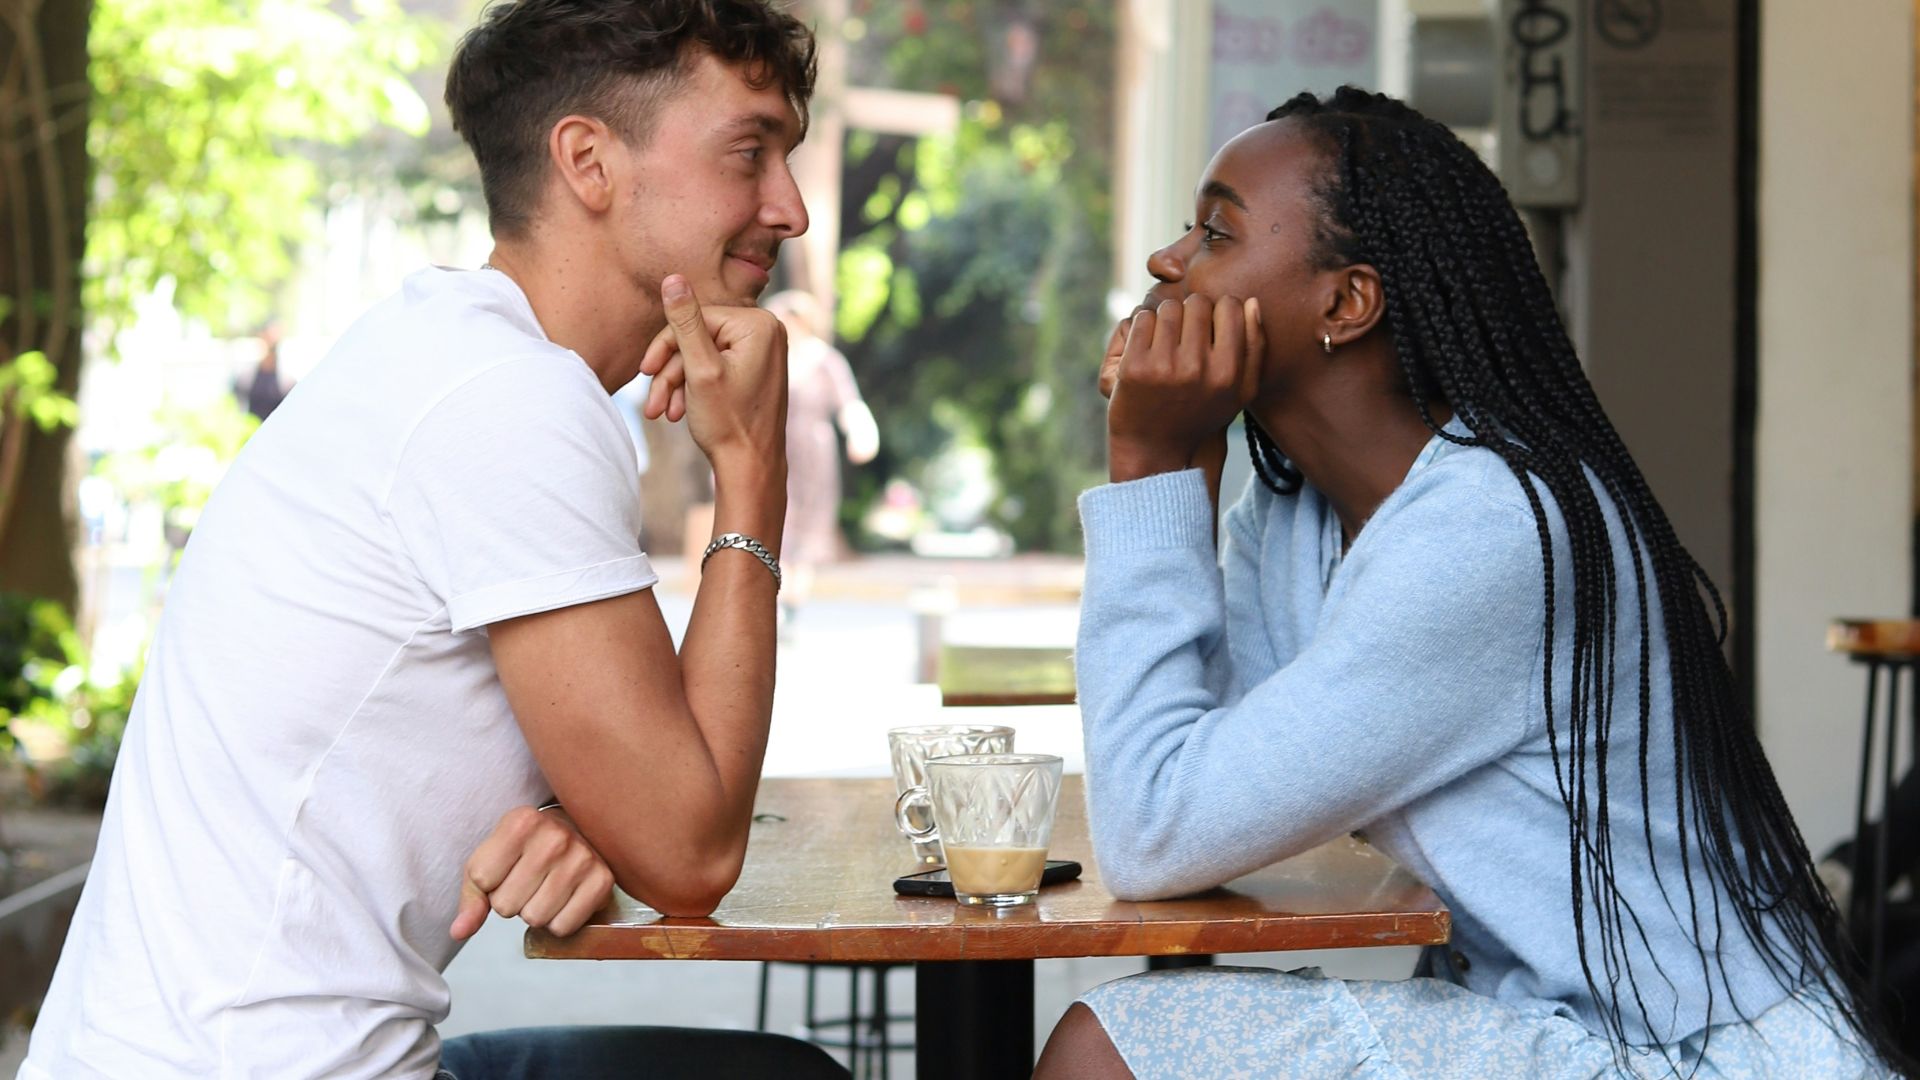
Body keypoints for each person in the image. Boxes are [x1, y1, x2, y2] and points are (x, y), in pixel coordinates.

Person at [21, 3, 845, 1078]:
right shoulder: (508, 402)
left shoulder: (457, 355)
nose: (789, 208)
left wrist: (582, 812)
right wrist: (754, 475)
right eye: (751, 152)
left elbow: (635, 794)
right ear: (589, 162)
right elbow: (692, 852)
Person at [1033, 87, 1904, 1079]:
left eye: (1214, 231)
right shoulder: (1297, 510)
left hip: (1686, 1056)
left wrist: (1150, 466)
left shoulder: (1492, 532)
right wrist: (1185, 467)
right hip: (1536, 1016)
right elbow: (1201, 785)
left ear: (1347, 302)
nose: (1168, 261)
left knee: (1107, 1050)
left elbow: (1158, 832)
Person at [763, 289, 877, 627]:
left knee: (809, 526)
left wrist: (861, 433)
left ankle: (794, 601)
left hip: (814, 451)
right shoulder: (771, 356)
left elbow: (850, 403)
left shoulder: (826, 359)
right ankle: (776, 597)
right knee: (776, 521)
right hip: (774, 448)